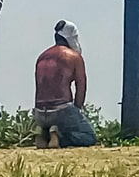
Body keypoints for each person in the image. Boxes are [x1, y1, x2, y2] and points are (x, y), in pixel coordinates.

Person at [33, 20, 96, 148]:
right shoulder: (74, 57)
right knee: (89, 137)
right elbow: (81, 87)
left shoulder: (42, 56)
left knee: (53, 120)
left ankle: (44, 133)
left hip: (39, 112)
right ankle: (58, 136)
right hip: (61, 110)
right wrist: (77, 109)